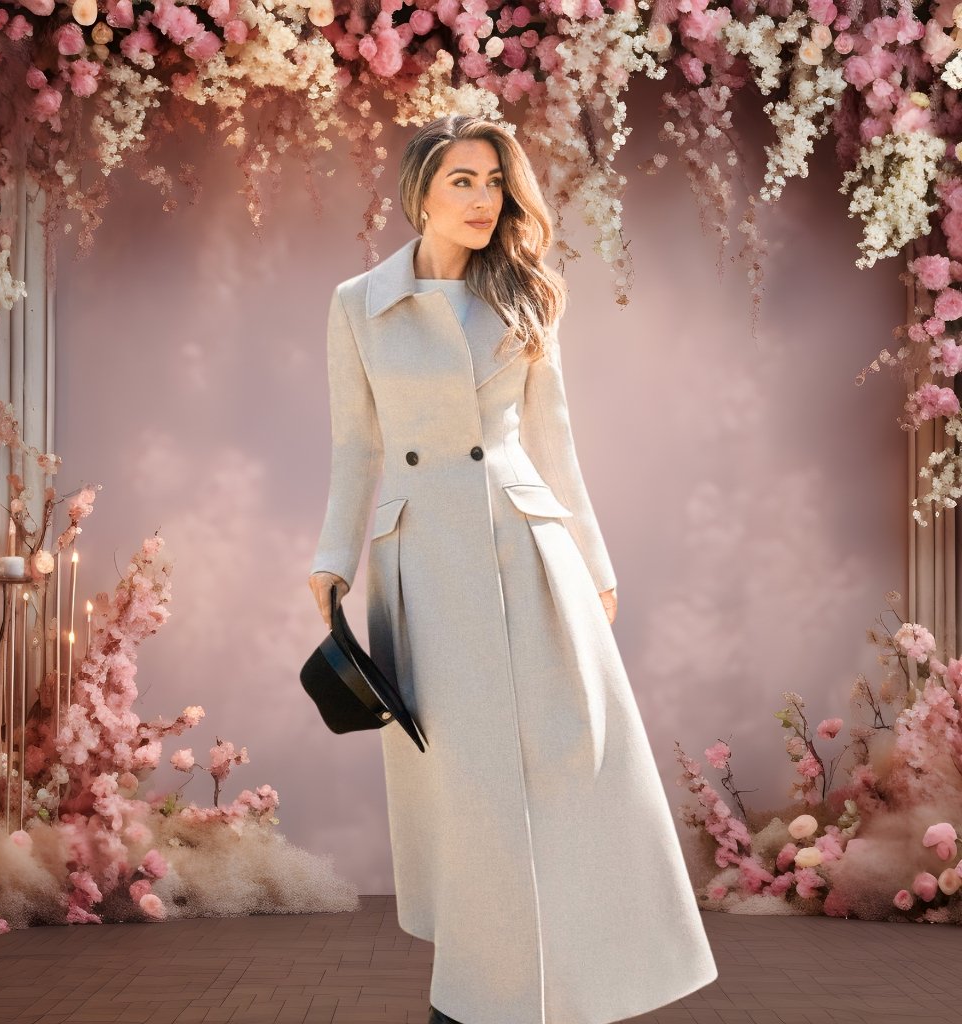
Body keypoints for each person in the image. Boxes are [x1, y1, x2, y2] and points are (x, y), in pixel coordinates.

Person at [307, 114, 718, 1024]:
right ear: (420, 190)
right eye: (462, 179)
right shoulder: (357, 305)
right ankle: (479, 998)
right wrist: (332, 560)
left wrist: (596, 562)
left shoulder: (526, 295)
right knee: (469, 790)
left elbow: (555, 444)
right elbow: (354, 445)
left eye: (495, 181)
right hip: (424, 565)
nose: (483, 198)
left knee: (572, 771)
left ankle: (577, 987)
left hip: (531, 553)